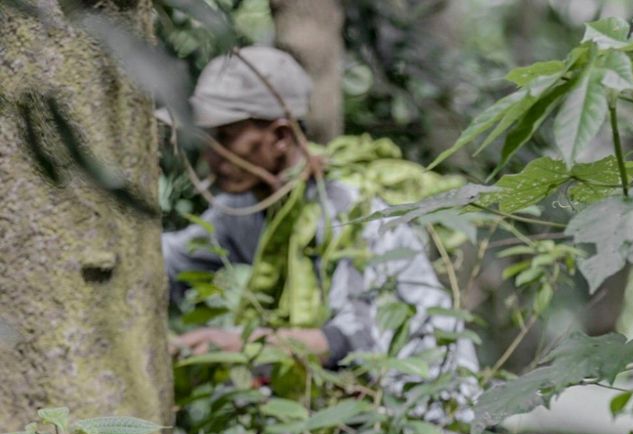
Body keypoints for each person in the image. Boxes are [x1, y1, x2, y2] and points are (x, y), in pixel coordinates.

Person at [158, 46, 478, 382]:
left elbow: (355, 339)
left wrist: (231, 344)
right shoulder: (240, 213)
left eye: (224, 136)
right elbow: (171, 261)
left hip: (423, 403)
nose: (210, 154)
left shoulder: (349, 208)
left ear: (280, 136)